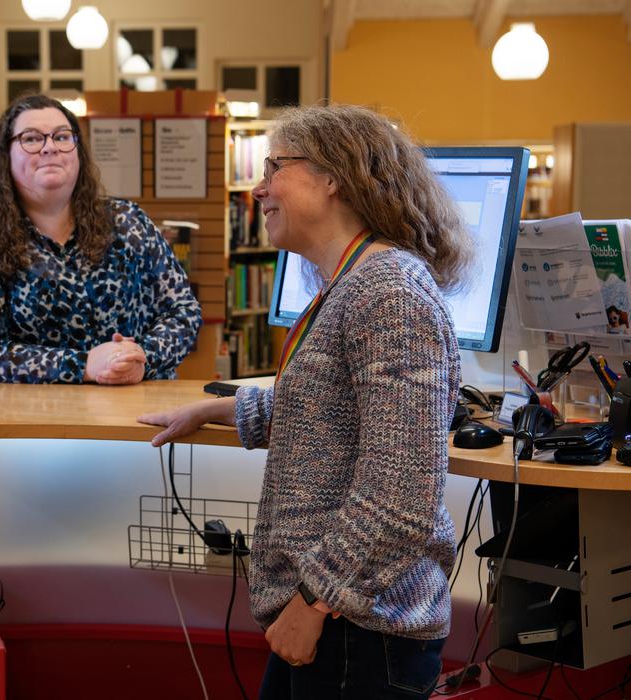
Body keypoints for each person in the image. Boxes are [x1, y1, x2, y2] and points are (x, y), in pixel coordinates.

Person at [140, 104, 472, 699]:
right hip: (343, 620)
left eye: (275, 167)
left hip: (360, 626)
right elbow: (328, 414)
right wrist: (225, 408)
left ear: (333, 176)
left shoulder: (388, 294)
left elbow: (402, 494)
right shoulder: (352, 284)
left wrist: (315, 603)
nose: (260, 187)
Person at [0, 94, 202, 384]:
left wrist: (141, 358)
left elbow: (184, 311)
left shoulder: (128, 221)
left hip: (135, 414)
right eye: (32, 139)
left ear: (78, 151)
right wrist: (83, 365)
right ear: (5, 155)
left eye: (61, 137)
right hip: (34, 421)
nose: (50, 148)